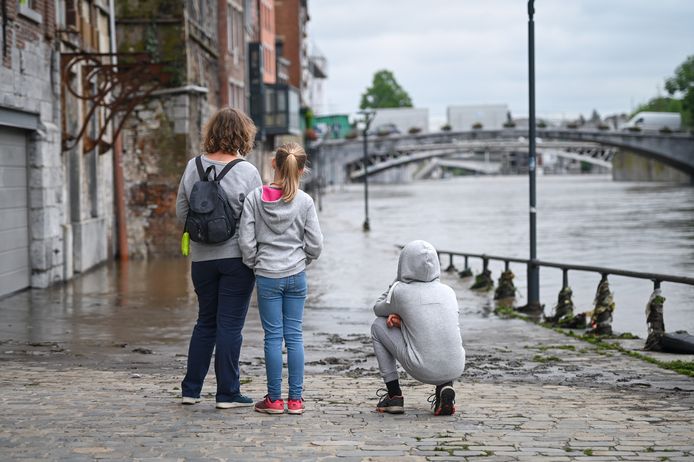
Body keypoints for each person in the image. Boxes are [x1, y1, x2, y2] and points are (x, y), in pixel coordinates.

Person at [176, 108, 262, 409]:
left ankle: (191, 390)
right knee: (229, 326)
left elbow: (181, 213)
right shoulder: (248, 172)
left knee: (205, 323)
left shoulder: (192, 166)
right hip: (236, 259)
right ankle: (227, 393)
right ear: (243, 134)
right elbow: (255, 221)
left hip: (201, 260)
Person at [239, 142, 323, 415]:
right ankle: (295, 401)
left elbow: (246, 241)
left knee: (273, 338)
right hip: (296, 275)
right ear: (301, 169)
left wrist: (255, 264)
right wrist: (303, 260)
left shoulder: (255, 198)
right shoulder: (305, 201)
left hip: (267, 275)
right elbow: (316, 245)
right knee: (294, 336)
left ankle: (274, 400)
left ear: (273, 164)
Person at [371, 240, 466, 416]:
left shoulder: (401, 292)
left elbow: (378, 309)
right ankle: (444, 389)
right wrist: (403, 319)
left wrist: (397, 282)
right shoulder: (448, 292)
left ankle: (394, 396)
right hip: (456, 366)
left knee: (377, 326)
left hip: (422, 369)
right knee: (439, 329)